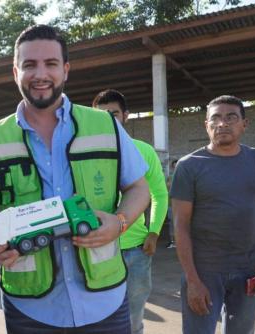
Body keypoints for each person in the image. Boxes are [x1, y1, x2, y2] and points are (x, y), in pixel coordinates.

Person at [0, 25, 150, 333]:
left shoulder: (105, 125)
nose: (40, 74)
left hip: (105, 299)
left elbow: (139, 189)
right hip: (29, 306)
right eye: (29, 65)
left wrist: (120, 222)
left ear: (65, 70)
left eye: (51, 64)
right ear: (15, 72)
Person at [171, 95, 255, 334]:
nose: (222, 123)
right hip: (204, 272)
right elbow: (180, 225)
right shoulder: (189, 166)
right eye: (216, 118)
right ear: (206, 125)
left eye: (231, 117)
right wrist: (192, 280)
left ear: (244, 124)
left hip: (249, 270)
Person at [92, 89, 168, 334]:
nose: (109, 120)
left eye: (114, 114)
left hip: (136, 253)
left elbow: (159, 194)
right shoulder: (84, 154)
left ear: (126, 115)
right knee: (96, 319)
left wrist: (154, 232)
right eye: (101, 115)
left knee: (133, 321)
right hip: (96, 251)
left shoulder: (143, 151)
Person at [165, 159, 178, 249]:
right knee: (171, 223)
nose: (176, 167)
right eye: (174, 166)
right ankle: (172, 241)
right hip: (170, 204)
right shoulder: (169, 177)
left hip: (181, 204)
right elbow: (166, 189)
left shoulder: (184, 176)